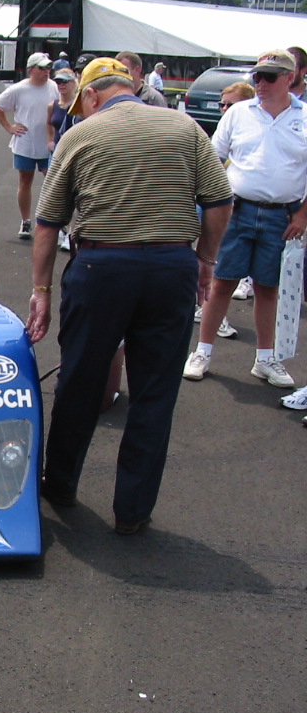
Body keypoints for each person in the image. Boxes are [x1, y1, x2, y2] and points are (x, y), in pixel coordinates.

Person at [27, 58, 232, 535]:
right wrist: (205, 258)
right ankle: (133, 511)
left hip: (102, 267)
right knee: (155, 391)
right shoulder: (185, 127)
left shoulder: (80, 134)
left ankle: (61, 484)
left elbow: (48, 222)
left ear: (92, 95)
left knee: (80, 379)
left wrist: (41, 290)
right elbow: (220, 201)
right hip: (171, 266)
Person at [183, 49, 307, 389]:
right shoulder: (238, 113)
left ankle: (265, 359)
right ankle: (202, 351)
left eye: (269, 77)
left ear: (290, 78)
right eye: (257, 77)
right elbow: (213, 159)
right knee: (221, 281)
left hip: (283, 215)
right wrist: (212, 205)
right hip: (237, 209)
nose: (260, 83)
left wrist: (302, 214)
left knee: (268, 288)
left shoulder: (304, 116)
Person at [194, 80, 256, 337]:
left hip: (232, 208)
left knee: (218, 264)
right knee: (208, 260)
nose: (224, 109)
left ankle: (207, 309)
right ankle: (204, 308)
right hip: (213, 205)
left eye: (231, 104)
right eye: (222, 104)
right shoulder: (223, 131)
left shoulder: (251, 132)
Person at [0, 52, 59, 240]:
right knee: (25, 182)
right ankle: (25, 220)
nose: (46, 71)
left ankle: (51, 222)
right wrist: (9, 127)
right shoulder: (18, 89)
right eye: (42, 68)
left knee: (53, 183)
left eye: (48, 68)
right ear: (31, 70)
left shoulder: (53, 87)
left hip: (48, 143)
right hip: (25, 143)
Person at [46, 68, 80, 251]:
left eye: (65, 81)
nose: (61, 85)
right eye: (58, 82)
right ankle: (61, 229)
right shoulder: (53, 105)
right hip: (57, 154)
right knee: (58, 194)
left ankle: (71, 234)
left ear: (73, 83)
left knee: (76, 195)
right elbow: (49, 123)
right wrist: (50, 140)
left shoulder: (80, 105)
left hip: (75, 152)